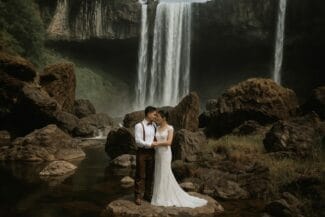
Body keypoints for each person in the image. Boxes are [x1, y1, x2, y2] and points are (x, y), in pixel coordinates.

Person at [151, 109, 208, 208]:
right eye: (155, 117)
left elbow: (169, 142)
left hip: (165, 153)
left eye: (158, 117)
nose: (156, 118)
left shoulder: (170, 128)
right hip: (158, 153)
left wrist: (156, 143)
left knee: (165, 173)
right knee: (158, 173)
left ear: (164, 118)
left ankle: (166, 196)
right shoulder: (156, 128)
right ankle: (158, 196)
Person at [134, 106, 157, 205]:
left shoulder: (154, 125)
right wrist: (150, 144)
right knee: (140, 174)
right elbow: (138, 141)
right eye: (154, 114)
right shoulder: (139, 126)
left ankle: (147, 195)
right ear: (148, 114)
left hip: (152, 152)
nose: (155, 116)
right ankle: (138, 196)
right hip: (142, 152)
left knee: (150, 175)